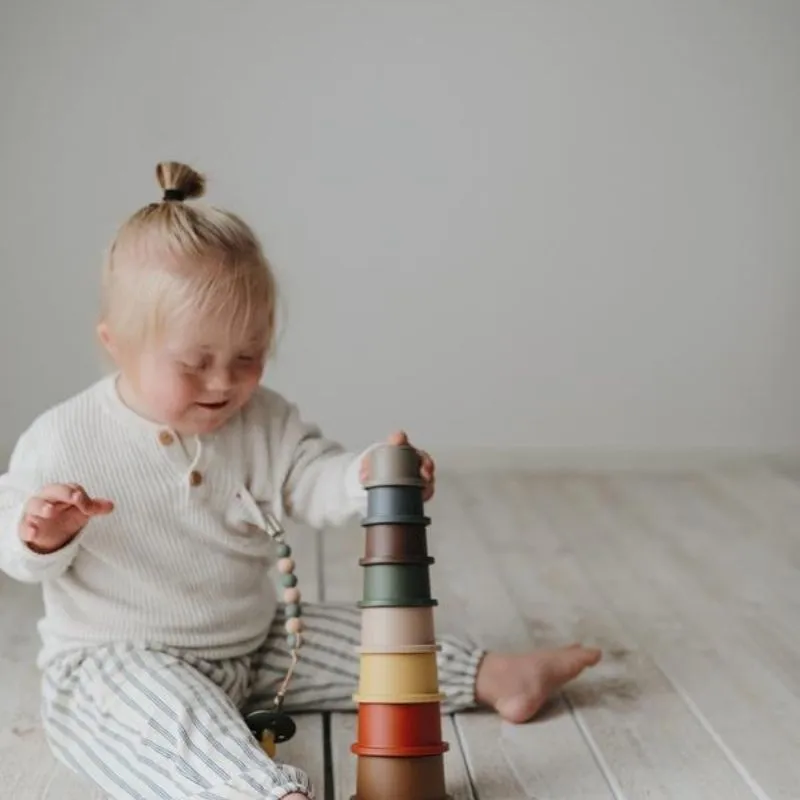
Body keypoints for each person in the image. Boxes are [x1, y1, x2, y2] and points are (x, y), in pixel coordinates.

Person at [0, 162, 601, 800]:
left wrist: (366, 476)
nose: (224, 382)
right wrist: (41, 533)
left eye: (247, 357)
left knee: (372, 641)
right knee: (169, 723)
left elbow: (312, 477)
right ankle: (260, 792)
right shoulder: (67, 436)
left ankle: (491, 675)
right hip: (118, 661)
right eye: (195, 363)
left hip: (252, 645)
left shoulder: (263, 421)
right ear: (115, 343)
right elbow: (14, 547)